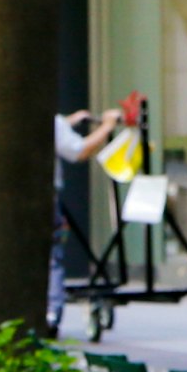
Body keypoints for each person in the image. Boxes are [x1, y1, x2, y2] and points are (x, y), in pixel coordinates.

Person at [48, 98, 134, 330]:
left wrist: (69, 122)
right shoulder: (51, 122)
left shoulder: (8, 120)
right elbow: (79, 151)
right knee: (51, 257)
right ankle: (51, 314)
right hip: (46, 199)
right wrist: (106, 126)